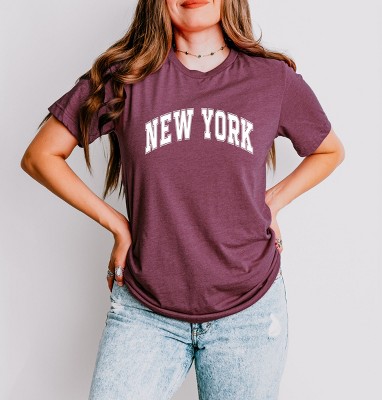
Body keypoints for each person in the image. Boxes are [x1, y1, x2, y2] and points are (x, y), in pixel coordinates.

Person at [20, 0, 345, 399]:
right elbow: (41, 156)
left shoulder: (272, 79)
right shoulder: (125, 77)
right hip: (145, 309)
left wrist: (272, 201)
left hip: (249, 310)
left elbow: (329, 150)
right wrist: (117, 225)